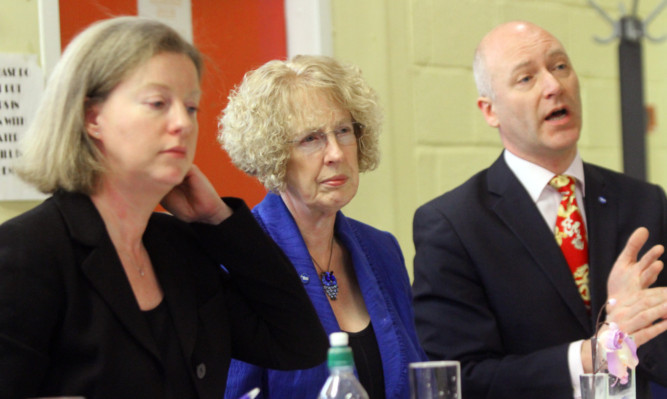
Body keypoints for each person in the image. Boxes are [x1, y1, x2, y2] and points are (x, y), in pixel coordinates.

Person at [0, 17, 328, 399]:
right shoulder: (26, 254)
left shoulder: (178, 247)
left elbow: (298, 342)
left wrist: (218, 220)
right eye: (158, 103)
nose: (182, 124)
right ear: (92, 118)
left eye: (190, 107)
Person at [412, 21, 667, 399]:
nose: (554, 86)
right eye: (526, 78)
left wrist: (631, 330)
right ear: (490, 110)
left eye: (560, 66)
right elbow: (465, 378)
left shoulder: (644, 201)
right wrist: (590, 355)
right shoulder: (453, 225)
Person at [218, 55, 426, 399]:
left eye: (343, 131)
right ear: (272, 154)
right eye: (311, 138)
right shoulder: (240, 258)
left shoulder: (382, 250)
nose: (335, 153)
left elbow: (415, 377)